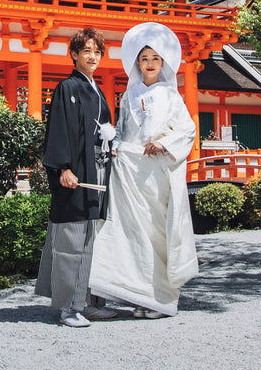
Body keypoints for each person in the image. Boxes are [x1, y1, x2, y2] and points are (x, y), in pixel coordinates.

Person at [88, 21, 198, 318]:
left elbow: (187, 130)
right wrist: (115, 144)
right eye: (144, 59)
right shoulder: (129, 94)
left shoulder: (172, 96)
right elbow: (123, 130)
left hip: (156, 174)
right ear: (137, 63)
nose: (149, 64)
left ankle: (162, 299)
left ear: (163, 63)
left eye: (155, 59)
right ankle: (139, 296)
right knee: (131, 234)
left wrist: (164, 144)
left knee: (157, 234)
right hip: (129, 172)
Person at [34, 26, 119, 327]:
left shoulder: (96, 90)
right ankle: (68, 307)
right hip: (75, 175)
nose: (93, 56)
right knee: (71, 239)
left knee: (92, 238)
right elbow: (60, 130)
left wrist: (113, 146)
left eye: (97, 52)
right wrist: (62, 168)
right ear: (74, 55)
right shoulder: (67, 88)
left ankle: (90, 302)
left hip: (97, 174)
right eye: (87, 51)